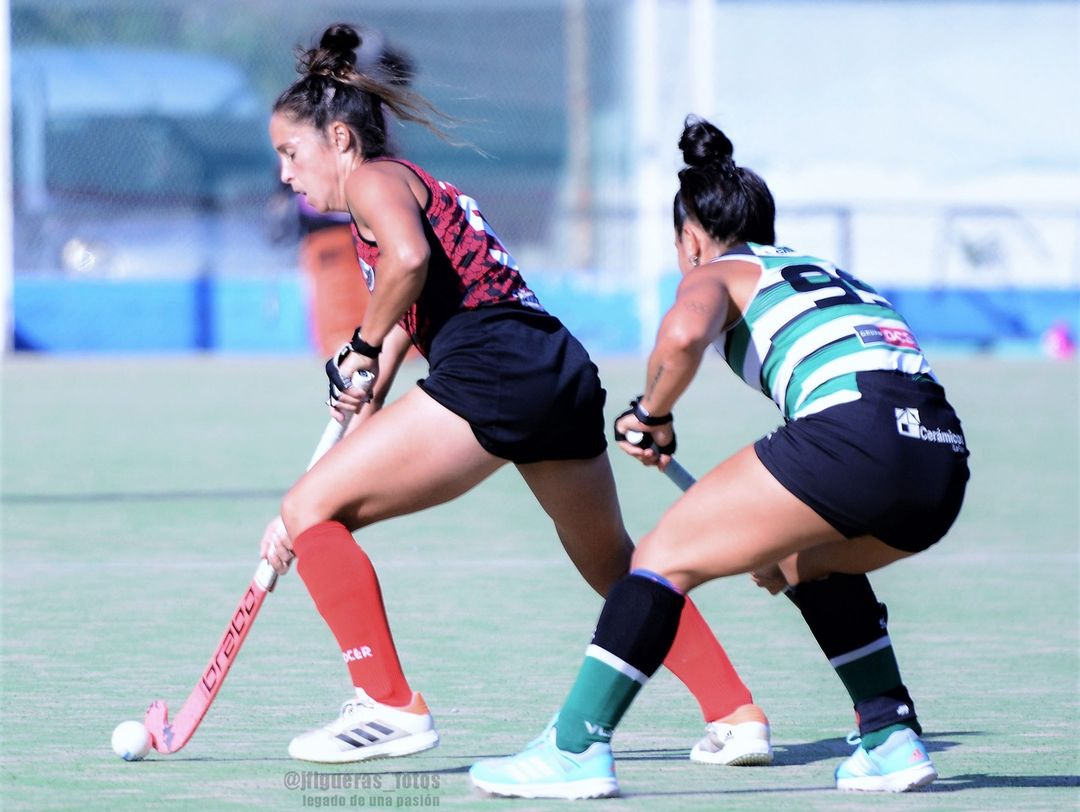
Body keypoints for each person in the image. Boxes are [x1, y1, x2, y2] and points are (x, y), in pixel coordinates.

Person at [262, 25, 772, 766]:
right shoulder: (412, 188)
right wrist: (358, 396)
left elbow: (405, 268)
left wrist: (356, 361)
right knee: (615, 565)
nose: (285, 174)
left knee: (312, 509)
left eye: (289, 153)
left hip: (492, 366)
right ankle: (735, 710)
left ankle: (388, 704)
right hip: (555, 367)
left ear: (339, 139)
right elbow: (408, 317)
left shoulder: (372, 181)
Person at [469, 115, 970, 798]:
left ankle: (574, 748)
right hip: (939, 460)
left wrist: (652, 412)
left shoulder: (724, 268)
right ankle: (889, 734)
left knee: (659, 559)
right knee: (803, 561)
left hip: (856, 436)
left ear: (692, 239)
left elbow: (681, 337)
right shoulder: (823, 268)